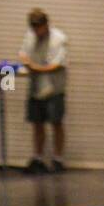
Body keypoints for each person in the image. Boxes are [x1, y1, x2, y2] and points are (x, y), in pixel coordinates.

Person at [18, 9, 69, 174]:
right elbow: (23, 55)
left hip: (54, 89)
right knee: (37, 124)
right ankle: (38, 158)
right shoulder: (29, 35)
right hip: (35, 88)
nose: (36, 31)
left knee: (56, 123)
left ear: (46, 24)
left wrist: (35, 67)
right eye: (33, 28)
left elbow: (57, 65)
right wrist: (26, 62)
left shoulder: (59, 38)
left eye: (39, 28)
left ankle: (58, 160)